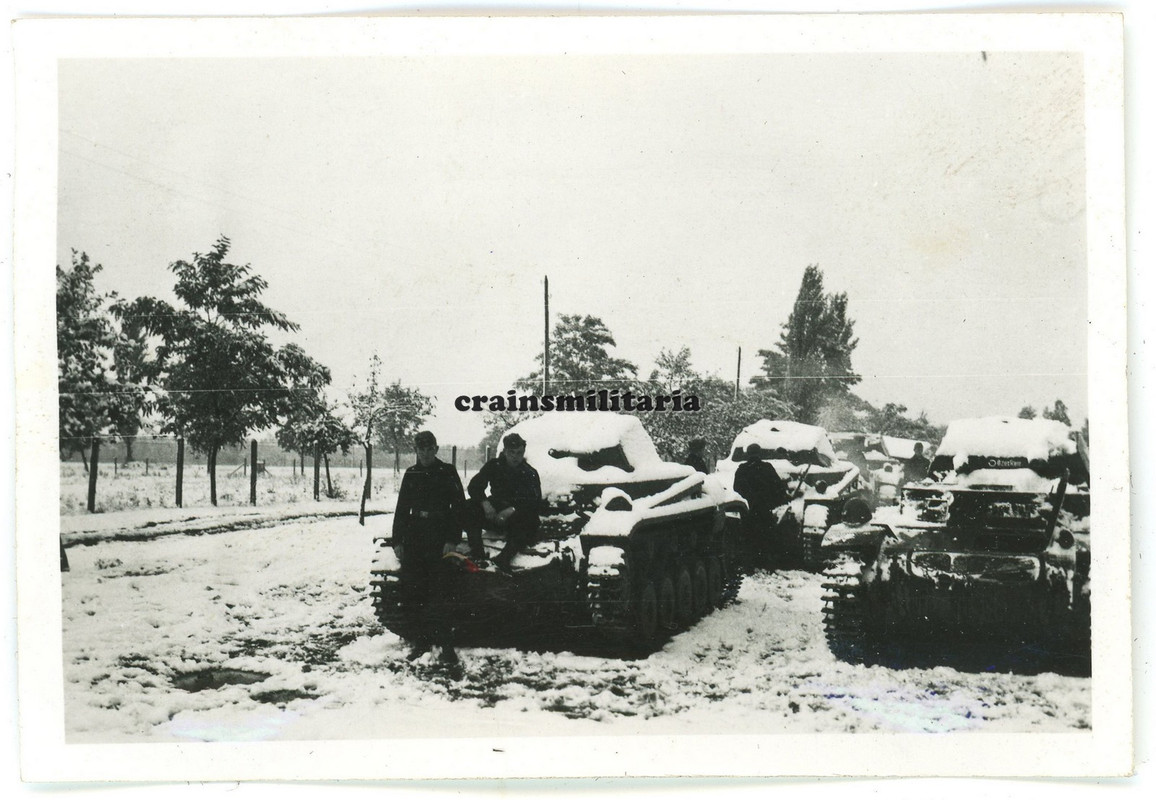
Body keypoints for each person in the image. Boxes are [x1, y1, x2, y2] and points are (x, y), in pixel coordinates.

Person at [393, 430, 466, 675]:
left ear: (436, 449)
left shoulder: (447, 472)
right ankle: (421, 642)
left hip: (439, 534)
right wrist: (398, 540)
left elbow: (459, 507)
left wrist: (452, 539)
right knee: (414, 591)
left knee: (441, 591)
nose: (425, 453)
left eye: (429, 449)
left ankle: (446, 645)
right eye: (420, 449)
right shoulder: (411, 474)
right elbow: (402, 508)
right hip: (415, 535)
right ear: (416, 450)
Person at [466, 432, 543, 573]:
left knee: (531, 520)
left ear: (523, 452)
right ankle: (477, 553)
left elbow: (535, 502)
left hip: (516, 517)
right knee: (467, 506)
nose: (515, 457)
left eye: (519, 453)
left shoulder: (529, 472)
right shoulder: (494, 465)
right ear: (505, 451)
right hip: (493, 512)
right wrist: (485, 503)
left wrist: (511, 510)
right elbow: (474, 486)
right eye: (511, 452)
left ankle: (503, 559)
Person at [732, 444, 790, 565]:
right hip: (765, 508)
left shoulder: (742, 469)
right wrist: (778, 501)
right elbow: (778, 487)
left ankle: (751, 562)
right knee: (766, 535)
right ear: (759, 453)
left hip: (748, 509)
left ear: (748, 454)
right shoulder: (767, 467)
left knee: (749, 535)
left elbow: (736, 488)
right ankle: (766, 561)